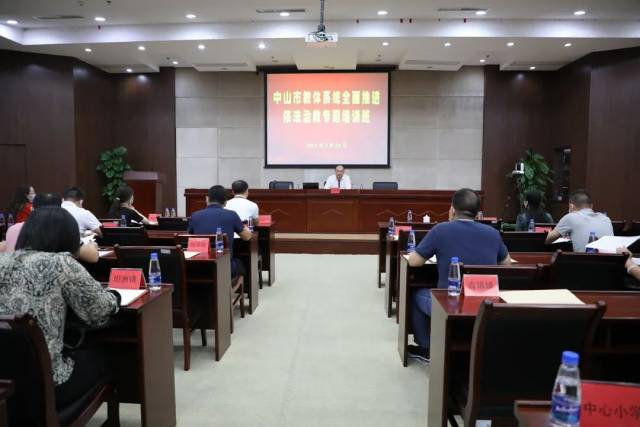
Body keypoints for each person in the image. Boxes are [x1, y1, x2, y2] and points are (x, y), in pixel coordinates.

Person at [0, 207, 120, 409]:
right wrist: (114, 296)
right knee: (106, 357)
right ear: (69, 237)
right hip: (45, 385)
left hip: (5, 386)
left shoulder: (3, 259)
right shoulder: (61, 263)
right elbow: (99, 310)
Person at [407, 188, 511, 362]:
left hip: (449, 303)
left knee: (415, 294)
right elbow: (506, 264)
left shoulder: (440, 230)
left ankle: (426, 349)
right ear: (477, 213)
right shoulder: (493, 233)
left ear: (452, 209)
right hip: (486, 303)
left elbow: (414, 261)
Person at [2, 193, 100, 263]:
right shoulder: (63, 229)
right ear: (60, 209)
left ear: (32, 208)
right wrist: (93, 245)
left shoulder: (12, 229)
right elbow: (93, 257)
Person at [188, 185, 252, 278]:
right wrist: (246, 228)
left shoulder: (195, 216)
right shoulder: (231, 215)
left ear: (207, 199)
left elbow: (188, 237)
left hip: (198, 267)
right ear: (225, 202)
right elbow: (247, 237)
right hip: (225, 267)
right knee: (240, 264)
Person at [545, 189, 613, 252]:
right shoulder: (606, 219)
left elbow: (546, 240)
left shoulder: (570, 217)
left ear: (571, 206)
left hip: (583, 260)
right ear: (591, 206)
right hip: (610, 260)